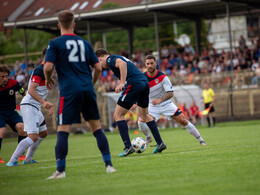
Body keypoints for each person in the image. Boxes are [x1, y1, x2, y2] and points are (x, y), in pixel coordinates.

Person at [44, 10, 116, 179]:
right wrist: (92, 83)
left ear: (58, 25)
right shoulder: (85, 43)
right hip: (87, 89)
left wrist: (48, 79)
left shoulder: (55, 43)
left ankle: (60, 171)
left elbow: (47, 67)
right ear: (74, 25)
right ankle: (109, 166)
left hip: (69, 91)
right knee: (97, 128)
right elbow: (98, 67)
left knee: (63, 130)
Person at [95, 49, 166, 157]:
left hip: (134, 83)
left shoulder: (110, 59)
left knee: (118, 115)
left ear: (100, 58)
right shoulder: (117, 58)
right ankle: (160, 143)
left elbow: (122, 64)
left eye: (98, 62)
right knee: (144, 115)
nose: (100, 65)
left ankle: (128, 147)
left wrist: (122, 82)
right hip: (143, 83)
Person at [137, 55, 206, 146]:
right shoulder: (142, 78)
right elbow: (138, 91)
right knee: (141, 121)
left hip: (166, 104)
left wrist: (160, 100)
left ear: (156, 63)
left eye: (152, 63)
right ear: (145, 65)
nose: (150, 66)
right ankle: (149, 137)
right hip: (152, 105)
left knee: (183, 121)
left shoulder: (162, 77)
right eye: (148, 64)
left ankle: (201, 140)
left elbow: (170, 93)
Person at [6, 48, 53, 167]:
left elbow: (40, 91)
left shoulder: (46, 70)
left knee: (43, 133)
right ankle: (12, 160)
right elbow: (31, 90)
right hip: (29, 105)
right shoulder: (40, 70)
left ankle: (28, 159)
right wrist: (43, 102)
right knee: (33, 136)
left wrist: (45, 104)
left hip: (35, 106)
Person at [0, 65, 27, 164]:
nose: (5, 79)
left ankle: (21, 155)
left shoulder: (14, 84)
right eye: (2, 76)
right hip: (0, 113)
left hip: (11, 112)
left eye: (7, 76)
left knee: (22, 127)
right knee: (1, 131)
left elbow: (24, 93)